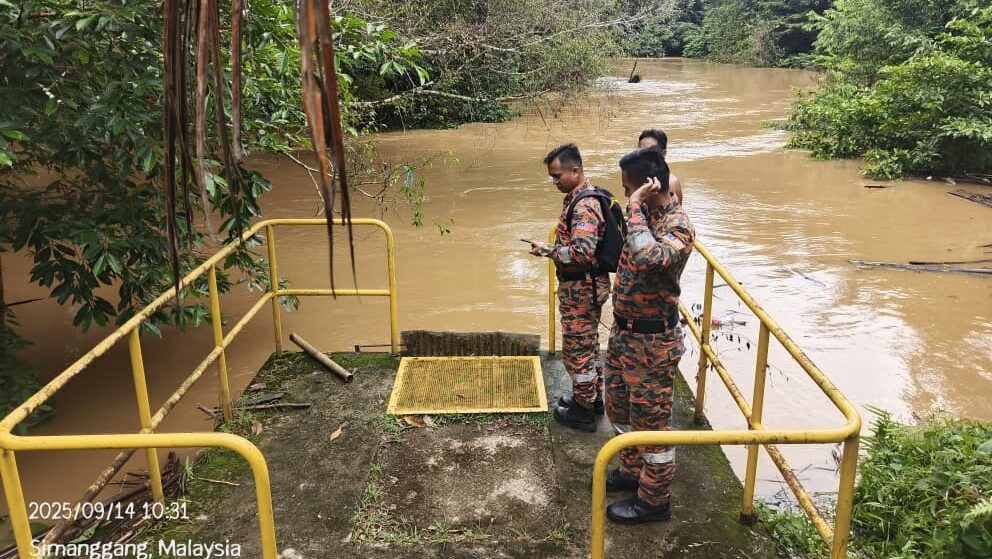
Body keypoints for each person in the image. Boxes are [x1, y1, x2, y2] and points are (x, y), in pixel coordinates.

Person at [603, 147, 694, 524]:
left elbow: (647, 258)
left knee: (652, 426)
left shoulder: (678, 226)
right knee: (619, 406)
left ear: (649, 186)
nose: (626, 197)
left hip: (652, 344)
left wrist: (635, 208)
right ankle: (630, 471)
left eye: (629, 190)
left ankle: (654, 501)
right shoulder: (645, 217)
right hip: (625, 336)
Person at [528, 143, 610, 432]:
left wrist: (549, 252)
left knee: (577, 350)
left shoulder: (585, 205)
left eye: (558, 175)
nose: (555, 182)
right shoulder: (579, 197)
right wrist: (550, 248)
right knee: (587, 345)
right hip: (584, 286)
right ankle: (591, 398)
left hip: (581, 289)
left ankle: (584, 410)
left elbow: (581, 253)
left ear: (576, 170)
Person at [638, 129, 684, 205]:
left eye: (650, 151)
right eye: (640, 151)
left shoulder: (669, 183)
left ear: (664, 153)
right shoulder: (638, 177)